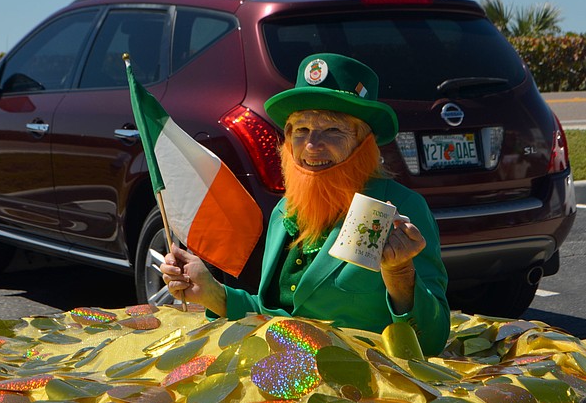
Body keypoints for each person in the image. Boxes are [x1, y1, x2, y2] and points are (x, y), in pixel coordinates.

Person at [160, 53, 450, 354]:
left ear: (364, 143)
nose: (311, 145)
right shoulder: (285, 211)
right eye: (301, 130)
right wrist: (214, 294)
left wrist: (400, 274)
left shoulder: (395, 207)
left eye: (333, 130)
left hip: (364, 378)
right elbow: (276, 317)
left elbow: (431, 342)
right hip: (281, 370)